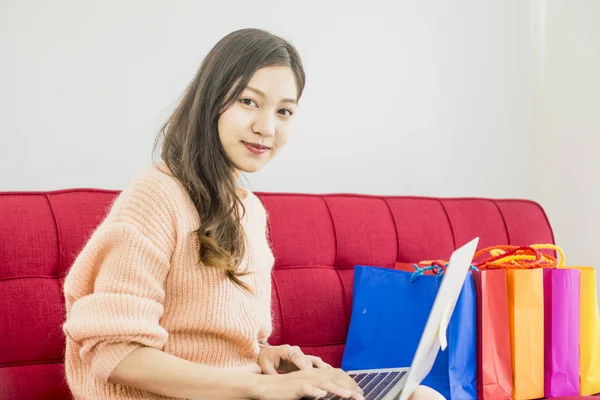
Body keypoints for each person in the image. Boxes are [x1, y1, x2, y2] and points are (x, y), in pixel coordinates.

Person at [63, 28, 445, 400]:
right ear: (212, 100)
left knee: (418, 393)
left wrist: (265, 357)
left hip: (243, 392)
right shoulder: (156, 196)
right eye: (248, 101)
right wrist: (262, 387)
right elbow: (115, 352)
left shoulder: (248, 209)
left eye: (284, 111)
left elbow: (211, 340)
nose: (266, 128)